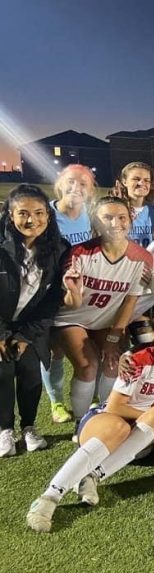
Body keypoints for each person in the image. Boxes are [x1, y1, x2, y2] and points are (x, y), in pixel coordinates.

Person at [26, 313, 154, 532]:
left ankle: (92, 476)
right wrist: (146, 415)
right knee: (135, 421)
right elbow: (114, 407)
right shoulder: (137, 360)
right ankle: (48, 498)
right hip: (106, 422)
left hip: (136, 434)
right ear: (153, 336)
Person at [53, 196, 153, 425]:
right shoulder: (79, 253)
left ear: (131, 219)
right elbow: (71, 303)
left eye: (121, 217)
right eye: (107, 217)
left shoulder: (143, 258)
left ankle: (105, 415)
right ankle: (81, 422)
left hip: (105, 321)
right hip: (72, 318)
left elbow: (130, 302)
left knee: (113, 364)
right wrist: (75, 292)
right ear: (95, 221)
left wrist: (113, 337)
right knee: (88, 365)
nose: (115, 223)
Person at [0, 185, 70, 457]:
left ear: (49, 216)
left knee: (30, 376)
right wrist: (2, 334)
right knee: (3, 374)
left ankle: (29, 426)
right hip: (2, 324)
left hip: (32, 327)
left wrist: (26, 334)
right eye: (23, 213)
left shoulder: (59, 249)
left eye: (39, 213)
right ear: (9, 214)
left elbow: (54, 298)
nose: (32, 220)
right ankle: (5, 430)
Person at [44, 164, 97, 423]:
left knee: (89, 343)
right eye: (72, 181)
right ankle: (56, 403)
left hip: (85, 291)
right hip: (52, 292)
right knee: (54, 350)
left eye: (83, 184)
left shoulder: (91, 214)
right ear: (60, 184)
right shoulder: (47, 213)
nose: (77, 188)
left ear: (90, 191)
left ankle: (94, 393)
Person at [116, 162, 154, 248]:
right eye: (136, 179)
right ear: (124, 181)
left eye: (146, 180)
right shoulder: (116, 210)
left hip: (149, 259)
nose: (141, 183)